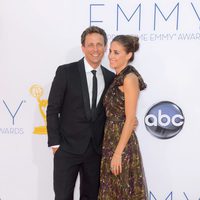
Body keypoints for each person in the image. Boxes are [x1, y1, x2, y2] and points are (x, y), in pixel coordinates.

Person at [46, 26, 115, 200]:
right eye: (90, 45)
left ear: (105, 47)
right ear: (83, 47)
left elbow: (111, 110)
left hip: (95, 150)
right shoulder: (65, 72)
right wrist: (55, 144)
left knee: (91, 196)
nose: (95, 49)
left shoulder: (110, 77)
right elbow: (53, 108)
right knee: (62, 196)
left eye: (99, 44)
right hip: (66, 149)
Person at [98, 35, 148, 200]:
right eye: (110, 51)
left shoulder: (130, 78)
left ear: (129, 55)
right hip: (110, 143)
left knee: (123, 192)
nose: (111, 56)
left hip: (122, 146)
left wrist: (118, 153)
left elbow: (129, 119)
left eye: (116, 52)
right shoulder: (116, 78)